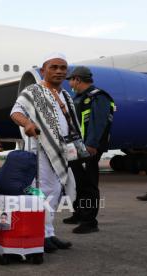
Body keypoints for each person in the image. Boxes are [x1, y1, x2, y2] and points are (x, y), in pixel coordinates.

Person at [10, 53, 76, 253]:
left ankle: (48, 232)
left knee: (55, 192)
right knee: (42, 192)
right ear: (42, 71)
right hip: (41, 151)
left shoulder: (65, 95)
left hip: (61, 152)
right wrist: (28, 123)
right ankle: (39, 233)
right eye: (54, 67)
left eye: (63, 68)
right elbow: (16, 112)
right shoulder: (33, 91)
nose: (59, 71)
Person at [64, 66, 115, 234]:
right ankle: (79, 213)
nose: (70, 83)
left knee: (88, 184)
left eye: (71, 79)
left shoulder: (99, 97)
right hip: (77, 146)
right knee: (78, 182)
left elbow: (99, 123)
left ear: (77, 79)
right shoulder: (79, 98)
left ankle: (90, 221)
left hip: (89, 147)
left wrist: (91, 145)